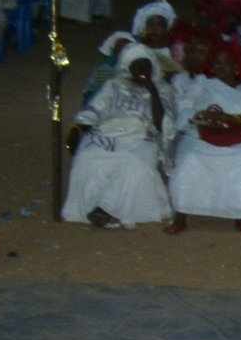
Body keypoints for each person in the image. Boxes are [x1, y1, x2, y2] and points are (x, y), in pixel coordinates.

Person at [63, 44, 174, 229]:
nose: (141, 70)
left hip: (141, 138)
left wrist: (151, 89)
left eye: (145, 65)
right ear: (127, 67)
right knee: (86, 159)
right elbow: (94, 109)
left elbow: (161, 124)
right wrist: (77, 129)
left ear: (152, 65)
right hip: (107, 134)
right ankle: (89, 206)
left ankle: (106, 208)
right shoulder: (113, 85)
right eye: (136, 66)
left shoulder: (163, 89)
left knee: (133, 164)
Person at [163, 42, 241, 236]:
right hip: (201, 137)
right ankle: (180, 216)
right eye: (217, 63)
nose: (221, 67)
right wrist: (201, 115)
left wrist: (232, 118)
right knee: (188, 161)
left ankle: (240, 217)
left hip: (238, 139)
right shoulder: (201, 84)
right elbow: (185, 107)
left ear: (236, 67)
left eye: (226, 63)